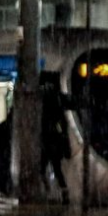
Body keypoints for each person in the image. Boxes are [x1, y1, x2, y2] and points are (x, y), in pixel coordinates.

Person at [40, 72, 71, 204]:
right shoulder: (57, 102)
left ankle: (52, 192)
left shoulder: (49, 104)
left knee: (47, 168)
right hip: (53, 142)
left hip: (50, 142)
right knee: (54, 168)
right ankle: (60, 192)